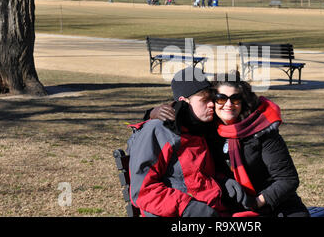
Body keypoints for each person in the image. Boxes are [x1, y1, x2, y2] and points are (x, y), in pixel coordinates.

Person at [149, 72, 309, 217]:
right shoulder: (208, 128)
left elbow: (288, 179)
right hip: (233, 208)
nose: (228, 104)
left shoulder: (261, 130)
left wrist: (257, 203)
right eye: (221, 98)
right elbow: (185, 110)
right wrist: (152, 112)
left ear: (243, 100)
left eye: (235, 98)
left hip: (278, 206)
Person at [127, 67, 229, 217]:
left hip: (213, 208)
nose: (212, 104)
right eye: (204, 100)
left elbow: (198, 178)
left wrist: (226, 182)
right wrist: (189, 208)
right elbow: (143, 191)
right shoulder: (159, 131)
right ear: (184, 101)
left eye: (212, 99)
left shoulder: (198, 128)